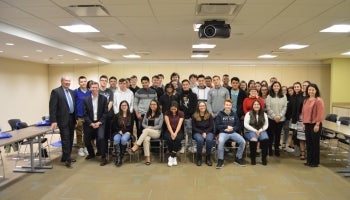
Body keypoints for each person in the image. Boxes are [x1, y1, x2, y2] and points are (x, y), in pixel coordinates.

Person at [49, 76, 77, 168]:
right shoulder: (56, 92)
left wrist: (76, 118)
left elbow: (74, 106)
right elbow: (52, 107)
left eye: (69, 81)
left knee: (70, 138)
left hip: (72, 118)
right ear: (61, 82)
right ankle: (68, 159)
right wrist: (53, 121)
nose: (68, 82)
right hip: (62, 119)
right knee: (65, 139)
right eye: (66, 81)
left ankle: (65, 157)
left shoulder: (72, 92)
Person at [130, 100, 163, 165]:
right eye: (151, 104)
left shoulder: (160, 114)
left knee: (145, 130)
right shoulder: (147, 114)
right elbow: (143, 124)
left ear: (157, 105)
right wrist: (147, 127)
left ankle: (136, 145)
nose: (152, 105)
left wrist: (151, 128)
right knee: (146, 139)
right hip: (147, 132)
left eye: (154, 104)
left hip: (156, 132)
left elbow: (159, 125)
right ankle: (147, 158)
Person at [215, 99, 246, 169]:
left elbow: (238, 125)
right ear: (224, 105)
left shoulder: (234, 114)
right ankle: (220, 159)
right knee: (220, 141)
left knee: (243, 141)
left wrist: (233, 128)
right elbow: (217, 125)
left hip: (233, 132)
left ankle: (238, 158)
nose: (228, 106)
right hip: (223, 132)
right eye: (226, 105)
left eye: (229, 105)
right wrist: (225, 127)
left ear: (231, 106)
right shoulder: (220, 114)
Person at [83, 81, 108, 166]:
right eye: (92, 87)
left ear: (98, 88)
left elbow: (105, 113)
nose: (94, 89)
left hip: (100, 122)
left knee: (101, 138)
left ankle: (103, 157)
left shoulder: (104, 99)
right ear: (90, 88)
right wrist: (91, 123)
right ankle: (91, 153)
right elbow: (85, 114)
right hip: (90, 123)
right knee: (86, 140)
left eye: (96, 87)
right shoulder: (86, 100)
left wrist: (99, 122)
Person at [302, 83, 324, 167]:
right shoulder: (306, 100)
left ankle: (315, 162)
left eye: (312, 90)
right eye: (309, 90)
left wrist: (317, 124)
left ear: (316, 91)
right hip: (307, 124)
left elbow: (320, 113)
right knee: (309, 143)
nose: (311, 91)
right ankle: (309, 160)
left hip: (315, 124)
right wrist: (303, 123)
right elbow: (304, 112)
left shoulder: (318, 100)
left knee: (315, 143)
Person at [244, 100, 269, 165]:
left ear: (260, 106)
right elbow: (246, 124)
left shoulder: (264, 114)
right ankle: (253, 158)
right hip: (250, 131)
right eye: (255, 104)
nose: (256, 106)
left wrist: (260, 130)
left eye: (258, 104)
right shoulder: (248, 113)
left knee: (265, 139)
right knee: (254, 140)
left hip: (261, 130)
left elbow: (266, 125)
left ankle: (264, 158)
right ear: (252, 106)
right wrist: (255, 131)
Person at [265, 81, 287, 157]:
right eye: (275, 86)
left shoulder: (284, 96)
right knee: (271, 135)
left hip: (281, 119)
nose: (276, 87)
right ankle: (270, 149)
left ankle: (277, 148)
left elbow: (285, 107)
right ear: (272, 87)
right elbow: (268, 107)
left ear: (280, 87)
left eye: (277, 86)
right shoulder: (269, 96)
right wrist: (274, 116)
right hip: (271, 118)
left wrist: (279, 116)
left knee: (278, 135)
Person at [192, 101, 214, 166]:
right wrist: (202, 132)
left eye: (203, 106)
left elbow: (211, 126)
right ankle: (199, 158)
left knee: (209, 140)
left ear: (205, 107)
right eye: (200, 106)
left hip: (208, 132)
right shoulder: (194, 116)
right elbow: (194, 127)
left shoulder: (209, 115)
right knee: (200, 140)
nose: (202, 107)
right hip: (197, 132)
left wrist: (205, 132)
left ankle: (208, 158)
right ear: (198, 107)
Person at [112, 100, 134, 167]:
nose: (124, 107)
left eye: (125, 105)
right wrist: (119, 131)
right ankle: (118, 158)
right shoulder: (117, 115)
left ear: (127, 106)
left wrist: (126, 132)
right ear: (120, 107)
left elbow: (131, 126)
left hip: (128, 132)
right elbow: (113, 126)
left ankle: (121, 157)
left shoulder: (131, 115)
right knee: (116, 139)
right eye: (122, 105)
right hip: (118, 132)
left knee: (123, 139)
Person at [179, 79, 198, 154]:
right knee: (182, 132)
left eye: (186, 84)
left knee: (190, 132)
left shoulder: (193, 95)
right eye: (183, 85)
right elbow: (179, 107)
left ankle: (191, 146)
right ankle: (183, 146)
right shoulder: (179, 95)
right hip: (181, 117)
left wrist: (190, 116)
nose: (185, 86)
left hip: (190, 117)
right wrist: (181, 115)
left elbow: (194, 107)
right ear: (182, 86)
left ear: (189, 85)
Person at [74, 76, 91, 157]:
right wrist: (75, 117)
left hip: (88, 116)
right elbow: (73, 105)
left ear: (86, 82)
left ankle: (86, 147)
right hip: (79, 116)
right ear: (79, 83)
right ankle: (80, 147)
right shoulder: (75, 92)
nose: (83, 83)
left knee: (87, 133)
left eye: (84, 81)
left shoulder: (90, 91)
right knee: (79, 133)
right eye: (81, 82)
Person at [164, 101, 184, 167]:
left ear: (177, 108)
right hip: (169, 131)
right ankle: (174, 157)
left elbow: (179, 125)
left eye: (175, 109)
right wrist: (172, 133)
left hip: (178, 131)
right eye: (172, 109)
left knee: (177, 139)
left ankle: (171, 157)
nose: (173, 111)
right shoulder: (166, 113)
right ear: (169, 108)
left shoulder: (181, 113)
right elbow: (168, 125)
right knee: (169, 139)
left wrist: (175, 134)